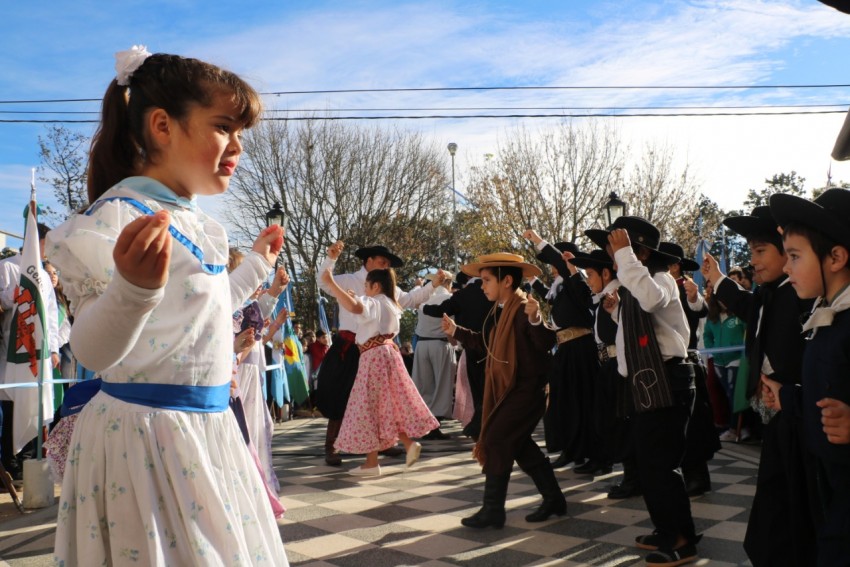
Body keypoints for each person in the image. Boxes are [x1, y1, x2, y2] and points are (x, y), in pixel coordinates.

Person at [44, 46, 288, 565]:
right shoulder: (115, 220)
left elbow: (205, 309)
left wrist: (258, 267)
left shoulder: (200, 225)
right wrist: (130, 292)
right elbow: (90, 346)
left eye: (240, 132)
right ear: (162, 126)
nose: (238, 146)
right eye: (224, 126)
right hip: (144, 441)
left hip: (208, 432)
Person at [702, 205, 817, 566]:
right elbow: (747, 306)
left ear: (787, 253)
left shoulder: (801, 295)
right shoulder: (771, 293)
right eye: (750, 252)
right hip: (780, 415)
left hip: (803, 415)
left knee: (796, 502)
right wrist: (718, 280)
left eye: (760, 251)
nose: (752, 260)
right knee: (775, 498)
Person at [586, 216, 701, 566]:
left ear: (639, 251)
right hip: (645, 384)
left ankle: (682, 540)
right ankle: (666, 530)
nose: (611, 253)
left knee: (662, 466)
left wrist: (625, 258)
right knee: (649, 466)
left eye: (617, 246)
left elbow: (651, 301)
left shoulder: (661, 278)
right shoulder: (635, 284)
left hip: (668, 380)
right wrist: (618, 311)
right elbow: (641, 327)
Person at [760, 188, 850, 566]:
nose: (786, 267)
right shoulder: (827, 317)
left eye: (794, 256)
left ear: (836, 257)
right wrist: (789, 397)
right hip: (828, 489)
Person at [440, 253, 564, 528]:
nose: (482, 286)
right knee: (518, 445)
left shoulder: (522, 308)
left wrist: (536, 319)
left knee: (497, 439)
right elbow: (487, 345)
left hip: (527, 391)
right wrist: (456, 330)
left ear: (506, 280)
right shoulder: (503, 309)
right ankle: (554, 498)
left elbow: (545, 342)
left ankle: (493, 510)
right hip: (514, 390)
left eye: (486, 280)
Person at [315, 241, 440, 466]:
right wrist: (331, 260)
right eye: (382, 261)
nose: (385, 266)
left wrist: (432, 287)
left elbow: (411, 299)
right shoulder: (351, 279)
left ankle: (382, 446)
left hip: (373, 350)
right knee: (341, 396)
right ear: (369, 260)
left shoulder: (386, 291)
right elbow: (323, 283)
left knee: (375, 400)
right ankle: (333, 445)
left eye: (388, 264)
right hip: (349, 347)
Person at [524, 231, 601, 474]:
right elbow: (549, 297)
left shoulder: (576, 282)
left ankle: (590, 453)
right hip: (565, 349)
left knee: (581, 402)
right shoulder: (562, 286)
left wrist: (538, 241)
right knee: (561, 402)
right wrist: (530, 280)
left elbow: (563, 273)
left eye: (559, 261)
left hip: (580, 349)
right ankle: (571, 449)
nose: (554, 266)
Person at [0, 220, 60, 480]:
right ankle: (10, 462)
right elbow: (2, 300)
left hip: (40, 351)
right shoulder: (7, 266)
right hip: (12, 351)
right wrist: (13, 295)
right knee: (12, 402)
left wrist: (55, 348)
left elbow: (51, 314)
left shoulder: (46, 275)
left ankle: (29, 458)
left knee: (37, 402)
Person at [423, 270, 494, 440]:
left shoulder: (462, 294)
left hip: (471, 346)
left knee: (477, 388)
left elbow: (440, 311)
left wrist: (422, 305)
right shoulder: (496, 291)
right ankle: (488, 424)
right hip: (495, 346)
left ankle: (480, 424)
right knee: (492, 387)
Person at [412, 273, 456, 440]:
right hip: (440, 343)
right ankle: (435, 425)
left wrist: (418, 285)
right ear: (449, 283)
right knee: (442, 385)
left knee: (424, 385)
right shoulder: (450, 299)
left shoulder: (424, 298)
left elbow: (415, 297)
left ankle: (425, 423)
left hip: (422, 344)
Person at [703, 286, 746, 441]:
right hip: (718, 361)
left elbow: (748, 332)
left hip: (736, 359)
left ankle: (735, 429)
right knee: (728, 393)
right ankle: (734, 426)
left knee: (735, 394)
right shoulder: (712, 317)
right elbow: (706, 335)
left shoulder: (738, 315)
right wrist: (712, 349)